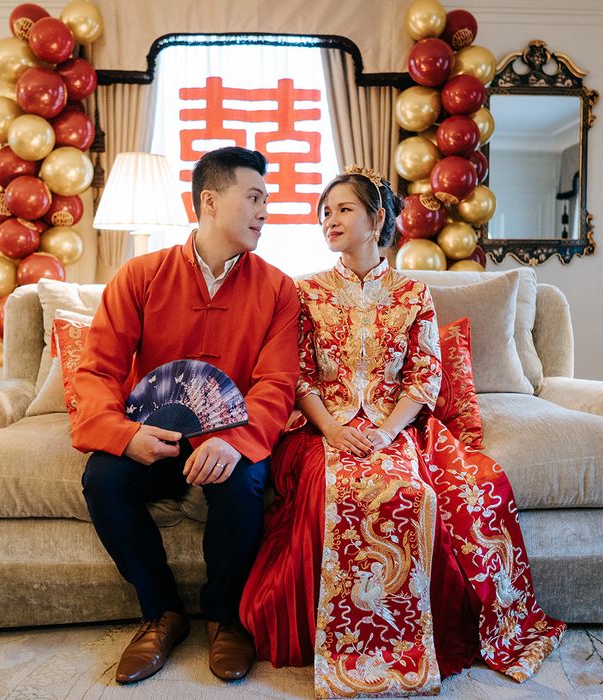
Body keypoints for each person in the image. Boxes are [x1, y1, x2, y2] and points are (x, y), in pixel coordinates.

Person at [239, 166, 566, 696]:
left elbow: (425, 374)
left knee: (411, 490)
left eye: (344, 209)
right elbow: (298, 372)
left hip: (396, 426)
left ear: (377, 219)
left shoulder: (413, 294)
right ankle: (340, 645)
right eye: (325, 212)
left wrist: (389, 433)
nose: (330, 220)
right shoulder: (306, 292)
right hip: (324, 427)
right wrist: (333, 430)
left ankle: (412, 645)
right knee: (336, 489)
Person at [72, 147, 300, 684]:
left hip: (228, 437)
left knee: (244, 481)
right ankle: (161, 613)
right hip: (154, 435)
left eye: (267, 199)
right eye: (254, 197)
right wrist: (124, 436)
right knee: (103, 478)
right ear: (210, 200)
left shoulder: (278, 289)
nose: (265, 210)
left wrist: (237, 440)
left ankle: (225, 618)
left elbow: (276, 384)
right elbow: (98, 371)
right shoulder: (140, 275)